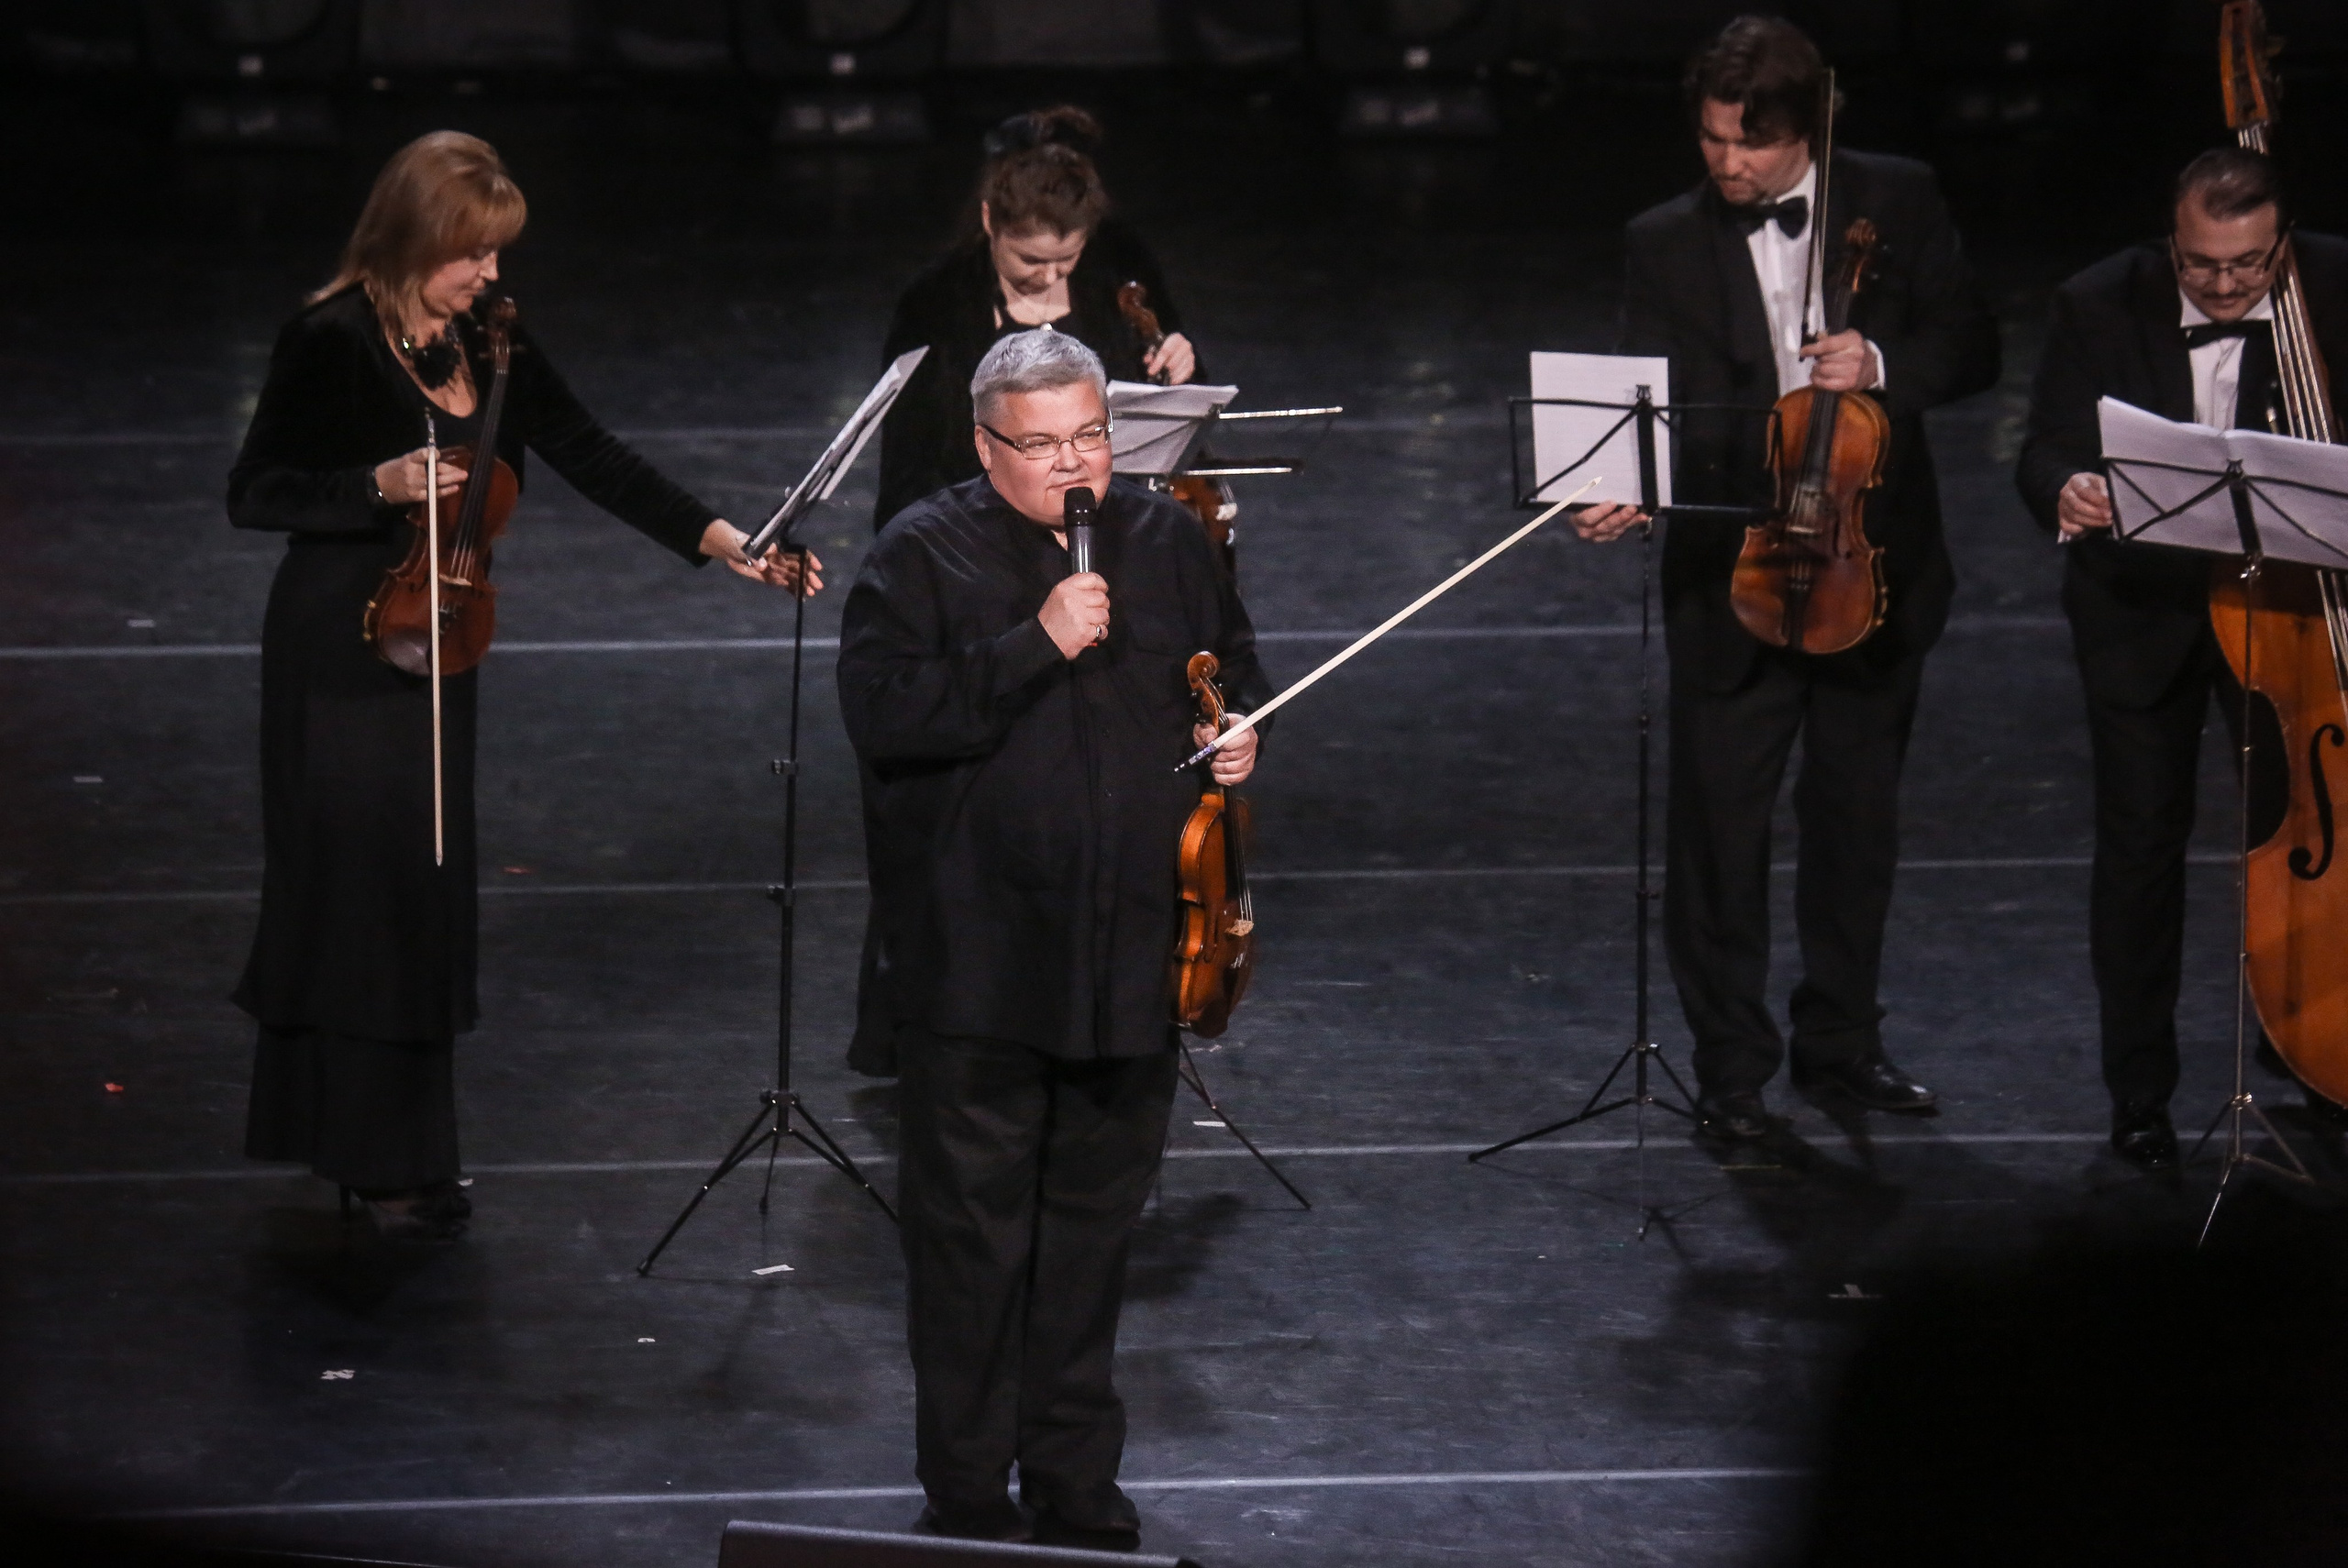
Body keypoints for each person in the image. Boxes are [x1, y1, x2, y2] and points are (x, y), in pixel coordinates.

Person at [227, 131, 816, 1240]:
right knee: (358, 891)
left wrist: (723, 539)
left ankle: (405, 1147)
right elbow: (253, 490)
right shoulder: (329, 338)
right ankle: (361, 1148)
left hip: (441, 632)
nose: (494, 276)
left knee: (424, 890)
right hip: (338, 647)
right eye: (474, 254)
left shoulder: (491, 341)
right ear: (416, 240)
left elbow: (590, 451)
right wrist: (375, 483)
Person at [837, 329, 1265, 1547]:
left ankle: (1075, 1470)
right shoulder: (917, 555)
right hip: (980, 962)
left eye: (1096, 438)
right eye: (1046, 446)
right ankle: (968, 1483)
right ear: (985, 446)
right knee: (973, 1242)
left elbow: (1229, 664)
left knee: (1092, 1233)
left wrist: (1240, 730)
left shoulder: (1168, 537)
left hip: (1134, 951)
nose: (1080, 467)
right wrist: (1036, 639)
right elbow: (884, 719)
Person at [1572, 16, 1999, 1141]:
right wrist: (1631, 481)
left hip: (1872, 567)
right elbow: (1647, 395)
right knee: (1718, 836)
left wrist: (1883, 366)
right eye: (1711, 140)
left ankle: (1842, 1046)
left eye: (1747, 146)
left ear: (1806, 126)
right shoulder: (1661, 239)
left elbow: (1975, 342)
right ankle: (1730, 1072)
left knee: (1856, 824)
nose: (1724, 165)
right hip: (1735, 573)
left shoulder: (1896, 198)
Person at [2014, 148, 2348, 1170]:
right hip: (2142, 615)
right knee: (2140, 850)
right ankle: (2139, 1094)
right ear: (2173, 240)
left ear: (2278, 243)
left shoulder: (2334, 286)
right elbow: (2044, 448)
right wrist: (2068, 488)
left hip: (2290, 620)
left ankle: (2306, 1048)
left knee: (2306, 846)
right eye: (2202, 264)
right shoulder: (2097, 302)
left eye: (2246, 266)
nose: (2222, 283)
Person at [871, 105, 1198, 530]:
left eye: (1067, 260)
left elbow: (1179, 408)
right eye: (1030, 260)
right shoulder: (935, 303)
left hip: (1119, 519)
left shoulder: (1118, 268)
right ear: (990, 220)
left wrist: (1182, 362)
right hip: (986, 531)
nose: (1048, 277)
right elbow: (910, 463)